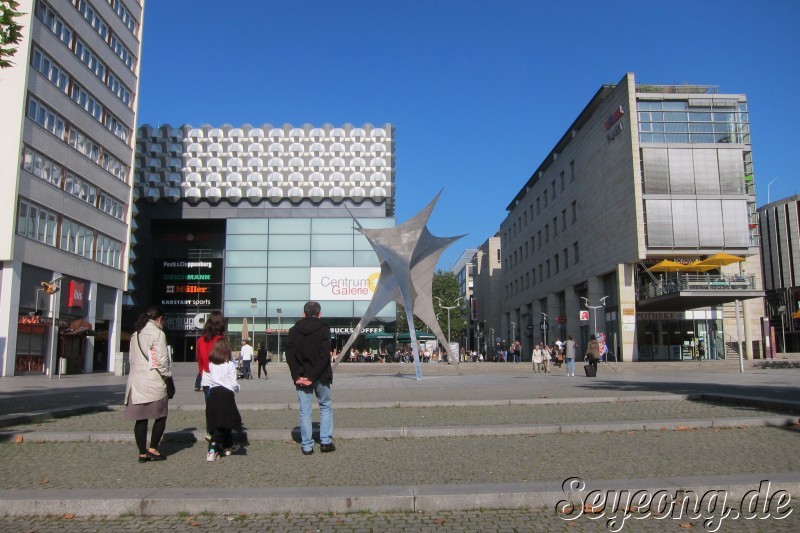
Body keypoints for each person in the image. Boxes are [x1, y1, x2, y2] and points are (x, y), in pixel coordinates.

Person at [286, 301, 335, 455]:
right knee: (325, 406)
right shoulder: (324, 329)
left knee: (305, 410)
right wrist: (313, 376)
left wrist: (297, 376)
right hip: (321, 376)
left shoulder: (294, 330)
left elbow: (290, 355)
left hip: (301, 376)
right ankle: (326, 442)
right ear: (319, 314)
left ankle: (307, 446)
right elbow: (324, 356)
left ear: (304, 313)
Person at [124, 306, 171, 463]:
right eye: (163, 320)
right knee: (161, 415)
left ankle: (142, 453)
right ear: (159, 319)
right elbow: (162, 360)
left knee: (141, 419)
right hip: (153, 382)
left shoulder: (135, 334)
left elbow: (131, 359)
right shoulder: (158, 334)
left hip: (136, 382)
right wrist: (167, 377)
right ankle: (153, 448)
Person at [205, 338, 243, 461]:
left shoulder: (211, 363)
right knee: (226, 422)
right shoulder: (230, 364)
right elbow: (233, 383)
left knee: (218, 421)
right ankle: (212, 448)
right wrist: (238, 388)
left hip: (213, 394)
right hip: (226, 395)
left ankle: (228, 445)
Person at [198, 311, 226, 438]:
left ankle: (211, 433)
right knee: (222, 410)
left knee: (210, 409)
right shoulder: (221, 340)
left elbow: (200, 359)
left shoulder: (200, 340)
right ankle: (220, 438)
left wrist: (204, 371)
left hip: (206, 379)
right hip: (220, 380)